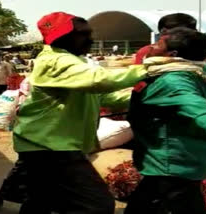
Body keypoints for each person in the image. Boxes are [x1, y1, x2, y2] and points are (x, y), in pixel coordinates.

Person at [10, 12, 152, 214]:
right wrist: (149, 68)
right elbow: (99, 80)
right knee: (96, 204)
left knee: (42, 200)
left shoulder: (73, 61)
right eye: (83, 34)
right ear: (61, 37)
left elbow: (101, 96)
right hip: (50, 146)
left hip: (44, 143)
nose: (90, 39)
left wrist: (147, 97)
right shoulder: (55, 61)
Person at [125, 27, 206, 214]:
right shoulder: (194, 70)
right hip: (180, 160)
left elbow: (201, 112)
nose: (151, 47)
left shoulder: (172, 81)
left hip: (171, 164)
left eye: (158, 44)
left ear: (172, 54)